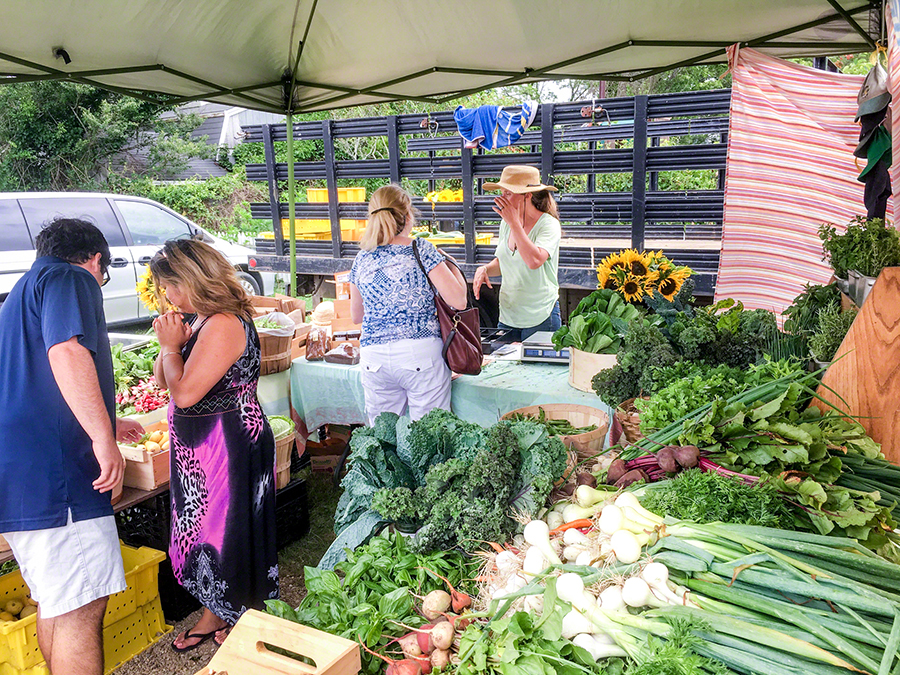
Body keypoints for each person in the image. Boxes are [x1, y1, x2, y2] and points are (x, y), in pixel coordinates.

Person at [0, 218, 144, 675]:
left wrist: (109, 422)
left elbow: (34, 381)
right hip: (59, 474)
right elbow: (66, 351)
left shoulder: (21, 292)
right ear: (96, 260)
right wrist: (102, 439)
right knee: (81, 605)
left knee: (57, 601)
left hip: (23, 474)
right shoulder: (70, 277)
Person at [149, 239, 278, 651]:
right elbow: (163, 380)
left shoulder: (223, 322)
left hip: (225, 446)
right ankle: (227, 608)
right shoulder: (201, 319)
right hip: (201, 448)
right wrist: (170, 345)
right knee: (212, 530)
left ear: (192, 278)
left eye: (170, 285)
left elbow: (185, 393)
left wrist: (171, 347)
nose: (167, 295)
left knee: (224, 532)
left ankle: (227, 611)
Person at [349, 184, 468, 424]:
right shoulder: (421, 249)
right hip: (420, 354)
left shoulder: (361, 258)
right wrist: (451, 264)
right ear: (407, 215)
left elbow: (356, 316)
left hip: (374, 358)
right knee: (428, 435)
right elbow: (459, 301)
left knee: (382, 437)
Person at [473, 165, 562, 341]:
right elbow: (504, 262)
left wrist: (514, 223)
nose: (501, 198)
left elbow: (534, 260)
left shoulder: (548, 224)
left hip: (541, 316)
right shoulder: (506, 223)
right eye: (502, 192)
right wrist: (484, 269)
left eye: (508, 193)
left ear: (527, 195)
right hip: (508, 317)